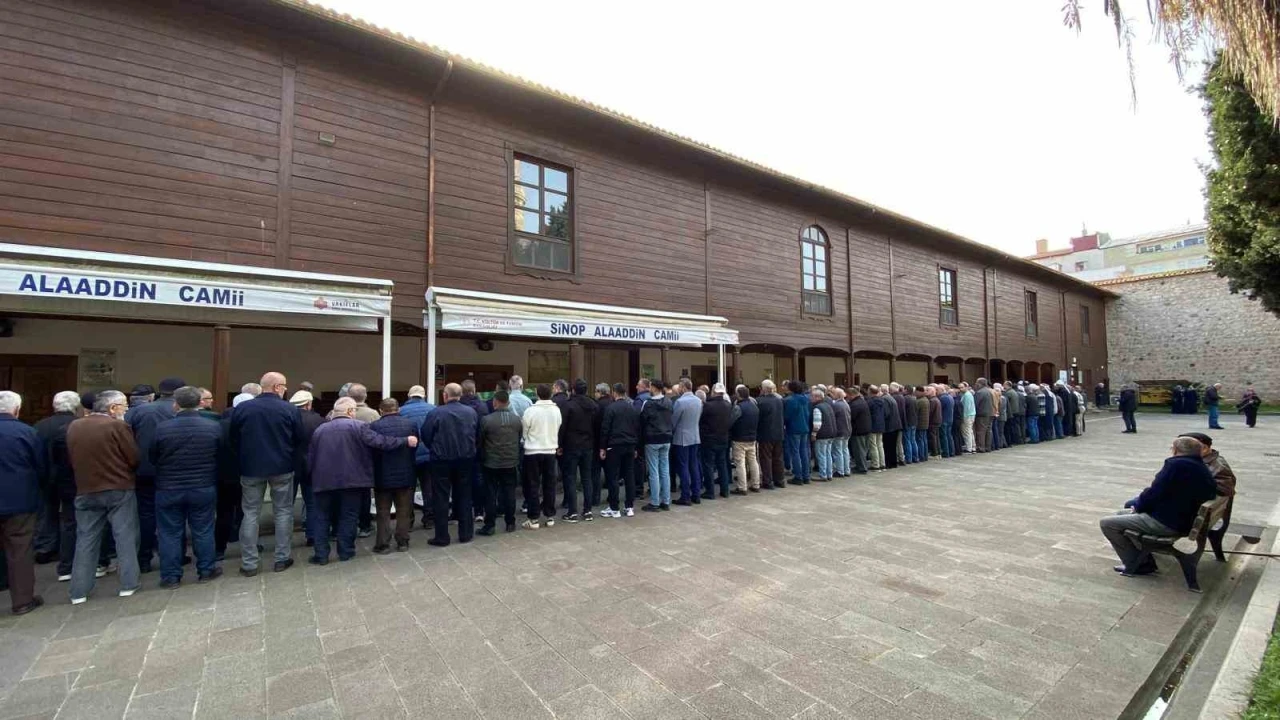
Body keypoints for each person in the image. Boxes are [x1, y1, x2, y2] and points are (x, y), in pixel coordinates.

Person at [307, 398, 414, 564]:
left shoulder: (320, 430)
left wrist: (311, 477)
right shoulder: (359, 427)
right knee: (349, 516)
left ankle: (321, 555)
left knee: (322, 517)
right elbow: (380, 442)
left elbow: (311, 457)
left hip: (324, 481)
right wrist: (405, 440)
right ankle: (346, 552)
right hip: (352, 480)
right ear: (350, 411)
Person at [66, 390, 142, 604]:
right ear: (112, 408)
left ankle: (78, 591)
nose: (126, 408)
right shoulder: (117, 426)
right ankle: (128, 583)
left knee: (86, 539)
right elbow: (133, 457)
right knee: (125, 536)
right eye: (124, 404)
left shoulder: (75, 426)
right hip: (118, 487)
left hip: (86, 489)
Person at [1101, 436, 1217, 575]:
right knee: (1121, 514)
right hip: (1184, 518)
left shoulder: (1176, 465)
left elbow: (1154, 493)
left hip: (1169, 523)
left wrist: (1138, 507)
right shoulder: (1200, 465)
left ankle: (1137, 564)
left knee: (1107, 523)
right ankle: (1142, 558)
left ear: (1176, 450)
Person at [228, 372, 305, 576]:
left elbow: (233, 437)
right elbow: (299, 438)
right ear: (277, 387)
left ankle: (249, 563)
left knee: (250, 513)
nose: (286, 390)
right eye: (285, 386)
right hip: (282, 466)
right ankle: (282, 558)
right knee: (283, 512)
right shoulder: (289, 409)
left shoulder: (243, 408)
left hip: (251, 468)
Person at [149, 386, 222, 588]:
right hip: (202, 485)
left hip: (169, 486)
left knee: (169, 532)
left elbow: (152, 456)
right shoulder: (212, 427)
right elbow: (220, 454)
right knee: (204, 529)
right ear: (200, 403)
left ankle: (171, 576)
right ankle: (206, 570)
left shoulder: (162, 428)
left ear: (176, 404)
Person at [125, 376, 184, 574]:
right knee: (175, 515)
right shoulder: (179, 411)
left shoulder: (139, 411)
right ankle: (176, 556)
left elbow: (126, 438)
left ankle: (144, 558)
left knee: (145, 515)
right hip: (174, 472)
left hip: (144, 470)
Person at [0, 391, 45, 615]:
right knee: (20, 549)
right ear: (17, 409)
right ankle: (22, 600)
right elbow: (41, 466)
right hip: (19, 499)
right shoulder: (26, 432)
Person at [420, 383, 479, 546]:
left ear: (445, 395)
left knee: (441, 497)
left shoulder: (436, 412)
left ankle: (442, 536)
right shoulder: (471, 412)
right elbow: (477, 433)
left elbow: (426, 434)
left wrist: (434, 448)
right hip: (465, 459)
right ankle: (466, 533)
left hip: (441, 460)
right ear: (460, 395)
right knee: (465, 495)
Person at [33, 391, 84, 579]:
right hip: (71, 478)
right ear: (76, 406)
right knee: (70, 518)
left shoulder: (40, 426)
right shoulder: (78, 425)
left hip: (45, 477)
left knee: (47, 513)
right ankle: (68, 554)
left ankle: (45, 548)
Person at [370, 398, 419, 551]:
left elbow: (372, 450)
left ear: (380, 410)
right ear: (398, 409)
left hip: (382, 474)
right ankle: (403, 542)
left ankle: (383, 544)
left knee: (383, 511)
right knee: (404, 510)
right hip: (406, 473)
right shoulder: (410, 424)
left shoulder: (374, 426)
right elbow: (415, 446)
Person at [477, 390, 521, 534]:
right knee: (509, 492)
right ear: (508, 402)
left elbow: (480, 441)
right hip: (510, 462)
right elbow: (518, 438)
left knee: (490, 494)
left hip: (491, 462)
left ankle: (490, 525)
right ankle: (510, 523)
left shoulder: (487, 420)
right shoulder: (516, 420)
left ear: (495, 402)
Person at [521, 384, 562, 527]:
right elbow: (558, 427)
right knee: (550, 484)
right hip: (550, 450)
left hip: (532, 451)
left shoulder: (530, 411)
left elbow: (524, 430)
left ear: (537, 394)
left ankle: (533, 518)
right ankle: (550, 515)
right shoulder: (556, 410)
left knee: (533, 484)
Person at [289, 391, 325, 548]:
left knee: (285, 505)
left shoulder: (287, 419)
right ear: (309, 404)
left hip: (290, 465)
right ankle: (312, 536)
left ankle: (284, 539)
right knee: (312, 503)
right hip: (312, 465)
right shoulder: (319, 420)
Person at [557, 379, 598, 521]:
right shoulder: (593, 405)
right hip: (588, 445)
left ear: (573, 390)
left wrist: (559, 445)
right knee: (587, 478)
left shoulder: (568, 405)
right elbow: (596, 426)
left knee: (570, 478)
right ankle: (588, 510)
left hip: (571, 446)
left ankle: (572, 511)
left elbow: (562, 427)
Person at [599, 383, 641, 515]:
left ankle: (614, 507)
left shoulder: (611, 408)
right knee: (629, 475)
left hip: (614, 445)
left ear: (614, 392)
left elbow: (605, 429)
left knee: (613, 476)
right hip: (630, 445)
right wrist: (636, 447)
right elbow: (637, 428)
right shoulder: (632, 408)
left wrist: (602, 447)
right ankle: (629, 506)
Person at [398, 385, 435, 529]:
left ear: (409, 396)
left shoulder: (401, 411)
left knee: (408, 490)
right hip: (428, 455)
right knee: (429, 488)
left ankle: (408, 521)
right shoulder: (433, 409)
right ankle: (429, 519)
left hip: (408, 455)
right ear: (424, 396)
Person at [672, 379, 705, 502]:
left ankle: (685, 495)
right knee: (694, 465)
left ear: (683, 387)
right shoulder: (698, 401)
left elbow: (674, 420)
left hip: (682, 438)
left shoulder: (680, 402)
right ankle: (696, 494)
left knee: (683, 466)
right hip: (695, 436)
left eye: (680, 387)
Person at [699, 383, 733, 498]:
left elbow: (701, 421)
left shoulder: (708, 406)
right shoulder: (728, 405)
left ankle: (710, 491)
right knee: (722, 464)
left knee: (708, 465)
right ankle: (725, 490)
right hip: (723, 438)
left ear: (713, 392)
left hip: (709, 439)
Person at [755, 380, 785, 489]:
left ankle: (768, 481)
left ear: (763, 389)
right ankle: (780, 480)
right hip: (779, 433)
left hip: (766, 433)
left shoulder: (760, 401)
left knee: (766, 458)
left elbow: (758, 418)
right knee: (778, 458)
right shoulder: (780, 400)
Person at [809, 387, 836, 481]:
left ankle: (823, 474)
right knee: (828, 454)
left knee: (821, 455)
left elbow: (817, 423)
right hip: (831, 433)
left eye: (812, 396)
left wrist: (814, 434)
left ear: (817, 397)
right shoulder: (828, 405)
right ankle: (829, 474)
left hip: (822, 434)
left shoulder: (817, 408)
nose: (811, 398)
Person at [830, 387, 853, 478]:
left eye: (833, 393)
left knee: (838, 451)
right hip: (847, 430)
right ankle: (846, 469)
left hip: (840, 431)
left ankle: (840, 471)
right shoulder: (846, 404)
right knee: (845, 450)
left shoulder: (836, 405)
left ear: (837, 395)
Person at [849, 386, 872, 474]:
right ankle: (862, 465)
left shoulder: (855, 404)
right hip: (866, 428)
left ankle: (862, 467)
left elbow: (852, 417)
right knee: (863, 449)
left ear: (851, 395)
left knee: (859, 450)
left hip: (858, 430)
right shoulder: (862, 401)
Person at [881, 384, 901, 470]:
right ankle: (893, 463)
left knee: (888, 446)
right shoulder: (891, 398)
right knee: (892, 446)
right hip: (895, 425)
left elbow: (886, 413)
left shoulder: (885, 399)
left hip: (889, 426)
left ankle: (889, 463)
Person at [911, 386, 930, 462]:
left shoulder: (919, 401)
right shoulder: (926, 400)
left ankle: (921, 456)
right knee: (924, 439)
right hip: (925, 423)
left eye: (916, 392)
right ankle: (925, 456)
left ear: (919, 392)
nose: (915, 393)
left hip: (920, 423)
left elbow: (915, 412)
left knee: (920, 440)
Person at [937, 385, 954, 458]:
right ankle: (951, 451)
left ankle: (946, 452)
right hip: (950, 419)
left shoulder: (942, 398)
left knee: (944, 436)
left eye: (937, 390)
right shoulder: (950, 397)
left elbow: (940, 409)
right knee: (949, 435)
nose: (936, 392)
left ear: (941, 390)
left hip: (944, 419)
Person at [926, 386, 942, 458]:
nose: (926, 392)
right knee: (936, 437)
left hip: (933, 421)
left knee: (933, 437)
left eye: (927, 390)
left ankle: (934, 453)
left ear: (932, 392)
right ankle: (938, 452)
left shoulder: (932, 401)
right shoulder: (937, 399)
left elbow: (930, 412)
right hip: (937, 420)